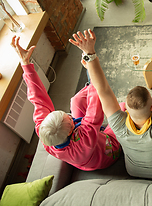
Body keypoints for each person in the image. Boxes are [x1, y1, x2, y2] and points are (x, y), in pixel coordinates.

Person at [69, 21, 152, 178]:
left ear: (125, 109)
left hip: (132, 172)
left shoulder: (117, 124)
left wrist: (89, 53)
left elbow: (102, 90)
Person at [10, 36, 121, 171]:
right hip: (108, 152)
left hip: (90, 146)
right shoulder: (84, 138)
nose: (69, 115)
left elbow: (38, 99)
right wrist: (91, 66)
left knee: (76, 101)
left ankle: (88, 94)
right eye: (69, 118)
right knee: (122, 108)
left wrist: (25, 64)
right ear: (71, 130)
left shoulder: (44, 131)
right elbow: (97, 98)